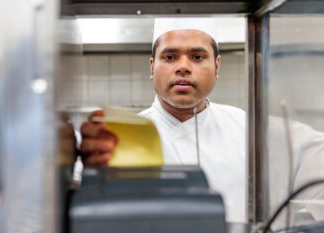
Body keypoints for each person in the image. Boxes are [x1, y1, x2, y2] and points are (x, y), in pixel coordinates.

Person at [80, 29, 247, 223]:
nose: (183, 67)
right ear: (152, 67)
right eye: (169, 57)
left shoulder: (246, 127)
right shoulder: (114, 138)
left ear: (217, 66)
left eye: (198, 57)